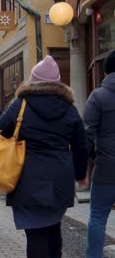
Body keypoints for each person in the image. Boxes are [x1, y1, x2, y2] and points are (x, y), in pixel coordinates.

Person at [0, 55, 88, 258]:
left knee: (35, 233)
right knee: (53, 226)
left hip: (27, 176)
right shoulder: (69, 108)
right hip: (60, 177)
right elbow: (81, 144)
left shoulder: (20, 104)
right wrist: (81, 174)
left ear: (33, 80)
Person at [84, 50, 115, 258]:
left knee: (97, 216)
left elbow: (86, 134)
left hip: (106, 169)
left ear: (106, 73)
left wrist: (88, 162)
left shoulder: (98, 96)